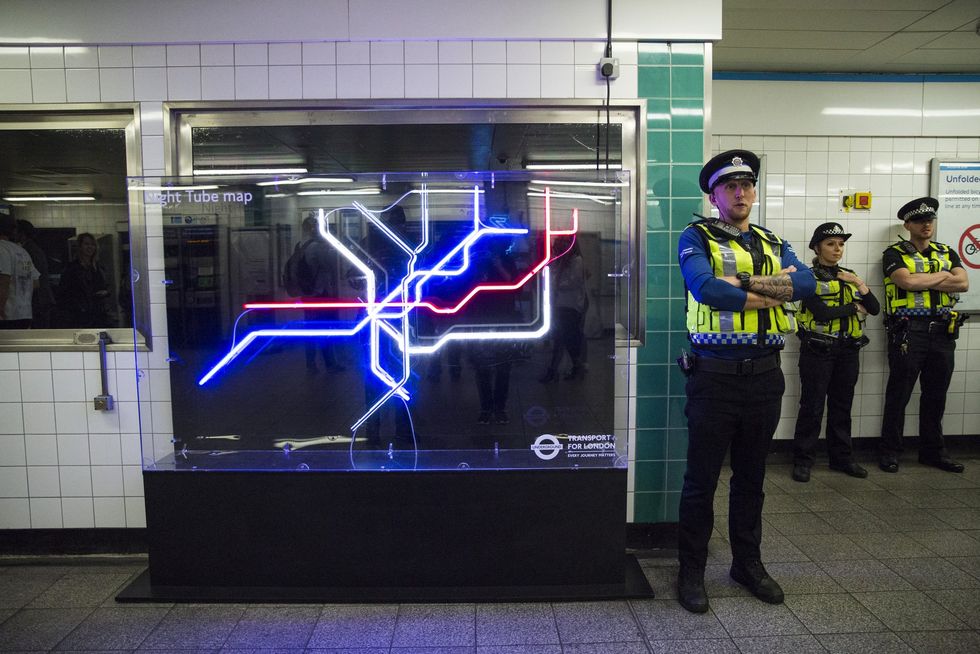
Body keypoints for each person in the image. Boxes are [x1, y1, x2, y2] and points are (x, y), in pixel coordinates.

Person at [675, 149, 816, 614]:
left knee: (752, 478)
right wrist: (773, 288)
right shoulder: (695, 236)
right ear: (713, 195)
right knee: (702, 480)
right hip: (713, 377)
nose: (740, 193)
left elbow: (809, 285)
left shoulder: (773, 239)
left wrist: (744, 285)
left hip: (764, 377)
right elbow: (706, 288)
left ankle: (747, 565)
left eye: (747, 185)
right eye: (730, 186)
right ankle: (691, 571)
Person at [879, 197, 969, 474]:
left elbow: (963, 283)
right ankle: (890, 452)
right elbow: (906, 281)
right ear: (908, 225)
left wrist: (926, 279)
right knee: (899, 394)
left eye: (929, 220)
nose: (926, 224)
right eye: (919, 220)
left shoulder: (946, 251)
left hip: (943, 331)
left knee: (936, 395)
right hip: (910, 332)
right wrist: (943, 277)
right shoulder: (894, 253)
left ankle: (933, 452)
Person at [791, 222, 879, 482]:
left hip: (847, 351)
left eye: (841, 244)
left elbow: (873, 308)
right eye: (831, 244)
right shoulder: (808, 278)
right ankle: (803, 461)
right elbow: (822, 312)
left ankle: (841, 459)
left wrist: (858, 283)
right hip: (818, 350)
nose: (837, 249)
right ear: (817, 248)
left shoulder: (849, 276)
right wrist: (854, 307)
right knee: (812, 406)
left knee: (842, 406)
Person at [297, 215, 344, 373]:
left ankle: (311, 364)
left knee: (311, 329)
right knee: (325, 328)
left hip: (307, 294)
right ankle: (330, 363)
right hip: (320, 293)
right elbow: (329, 265)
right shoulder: (317, 247)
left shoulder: (301, 246)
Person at [539, 234, 589, 382]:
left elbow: (572, 283)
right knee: (561, 339)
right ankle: (566, 369)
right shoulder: (560, 261)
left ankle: (565, 369)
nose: (560, 246)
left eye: (563, 242)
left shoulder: (576, 261)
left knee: (566, 339)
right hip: (560, 304)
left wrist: (555, 283)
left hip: (571, 305)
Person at [56, 232, 111, 328]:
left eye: (92, 244)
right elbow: (64, 294)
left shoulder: (99, 268)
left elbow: (105, 286)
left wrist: (105, 292)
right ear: (80, 247)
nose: (90, 247)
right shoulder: (71, 269)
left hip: (97, 314)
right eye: (86, 244)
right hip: (78, 316)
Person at [0, 211, 40, 329]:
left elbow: (3, 282)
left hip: (7, 315)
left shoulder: (1, 249)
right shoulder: (22, 251)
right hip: (25, 313)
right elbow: (35, 283)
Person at [14, 220, 55, 328]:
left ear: (22, 234)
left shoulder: (26, 251)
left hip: (38, 301)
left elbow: (33, 281)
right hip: (43, 299)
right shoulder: (34, 249)